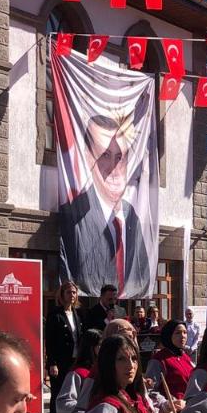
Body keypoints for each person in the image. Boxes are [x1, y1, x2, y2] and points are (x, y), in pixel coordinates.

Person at [58, 113, 153, 297]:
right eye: (104, 155)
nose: (113, 167)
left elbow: (143, 278)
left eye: (120, 157)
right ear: (88, 157)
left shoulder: (132, 214)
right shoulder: (74, 215)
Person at [44, 280, 82, 413]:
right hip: (59, 362)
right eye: (68, 292)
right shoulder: (55, 314)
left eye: (74, 293)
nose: (71, 295)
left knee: (71, 397)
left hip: (74, 361)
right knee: (58, 395)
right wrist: (51, 363)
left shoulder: (76, 314)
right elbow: (50, 340)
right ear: (62, 294)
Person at [146, 319, 195, 400]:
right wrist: (168, 403)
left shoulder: (185, 357)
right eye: (178, 333)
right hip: (173, 409)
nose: (183, 336)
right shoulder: (158, 360)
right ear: (169, 335)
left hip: (191, 407)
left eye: (185, 332)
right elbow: (150, 390)